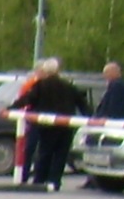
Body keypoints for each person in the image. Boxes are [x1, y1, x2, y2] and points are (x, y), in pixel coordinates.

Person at [15, 56, 86, 187]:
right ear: (58, 71)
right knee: (61, 154)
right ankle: (55, 181)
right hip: (66, 125)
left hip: (47, 125)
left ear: (46, 71)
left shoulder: (41, 85)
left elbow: (28, 99)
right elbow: (81, 102)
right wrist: (90, 117)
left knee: (45, 153)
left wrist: (11, 108)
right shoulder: (68, 86)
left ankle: (40, 180)